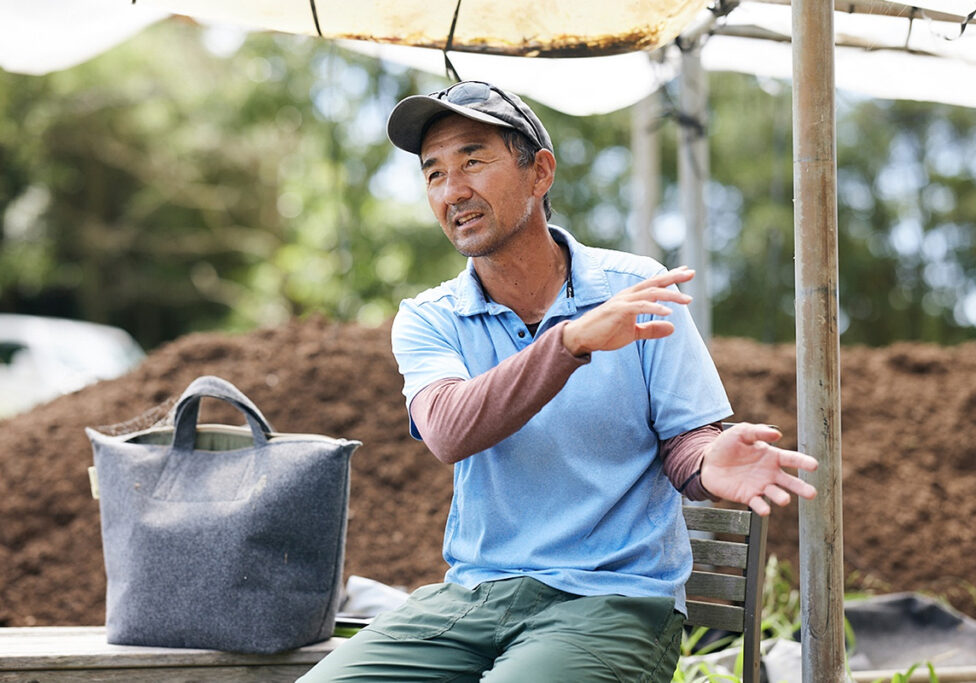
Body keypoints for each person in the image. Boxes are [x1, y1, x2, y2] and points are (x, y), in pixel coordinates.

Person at [301, 80, 819, 682]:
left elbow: (686, 446)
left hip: (613, 604)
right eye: (434, 173)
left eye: (473, 160)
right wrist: (570, 343)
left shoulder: (638, 289)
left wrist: (709, 462)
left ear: (539, 172)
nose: (453, 190)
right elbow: (448, 429)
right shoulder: (429, 317)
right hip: (473, 600)